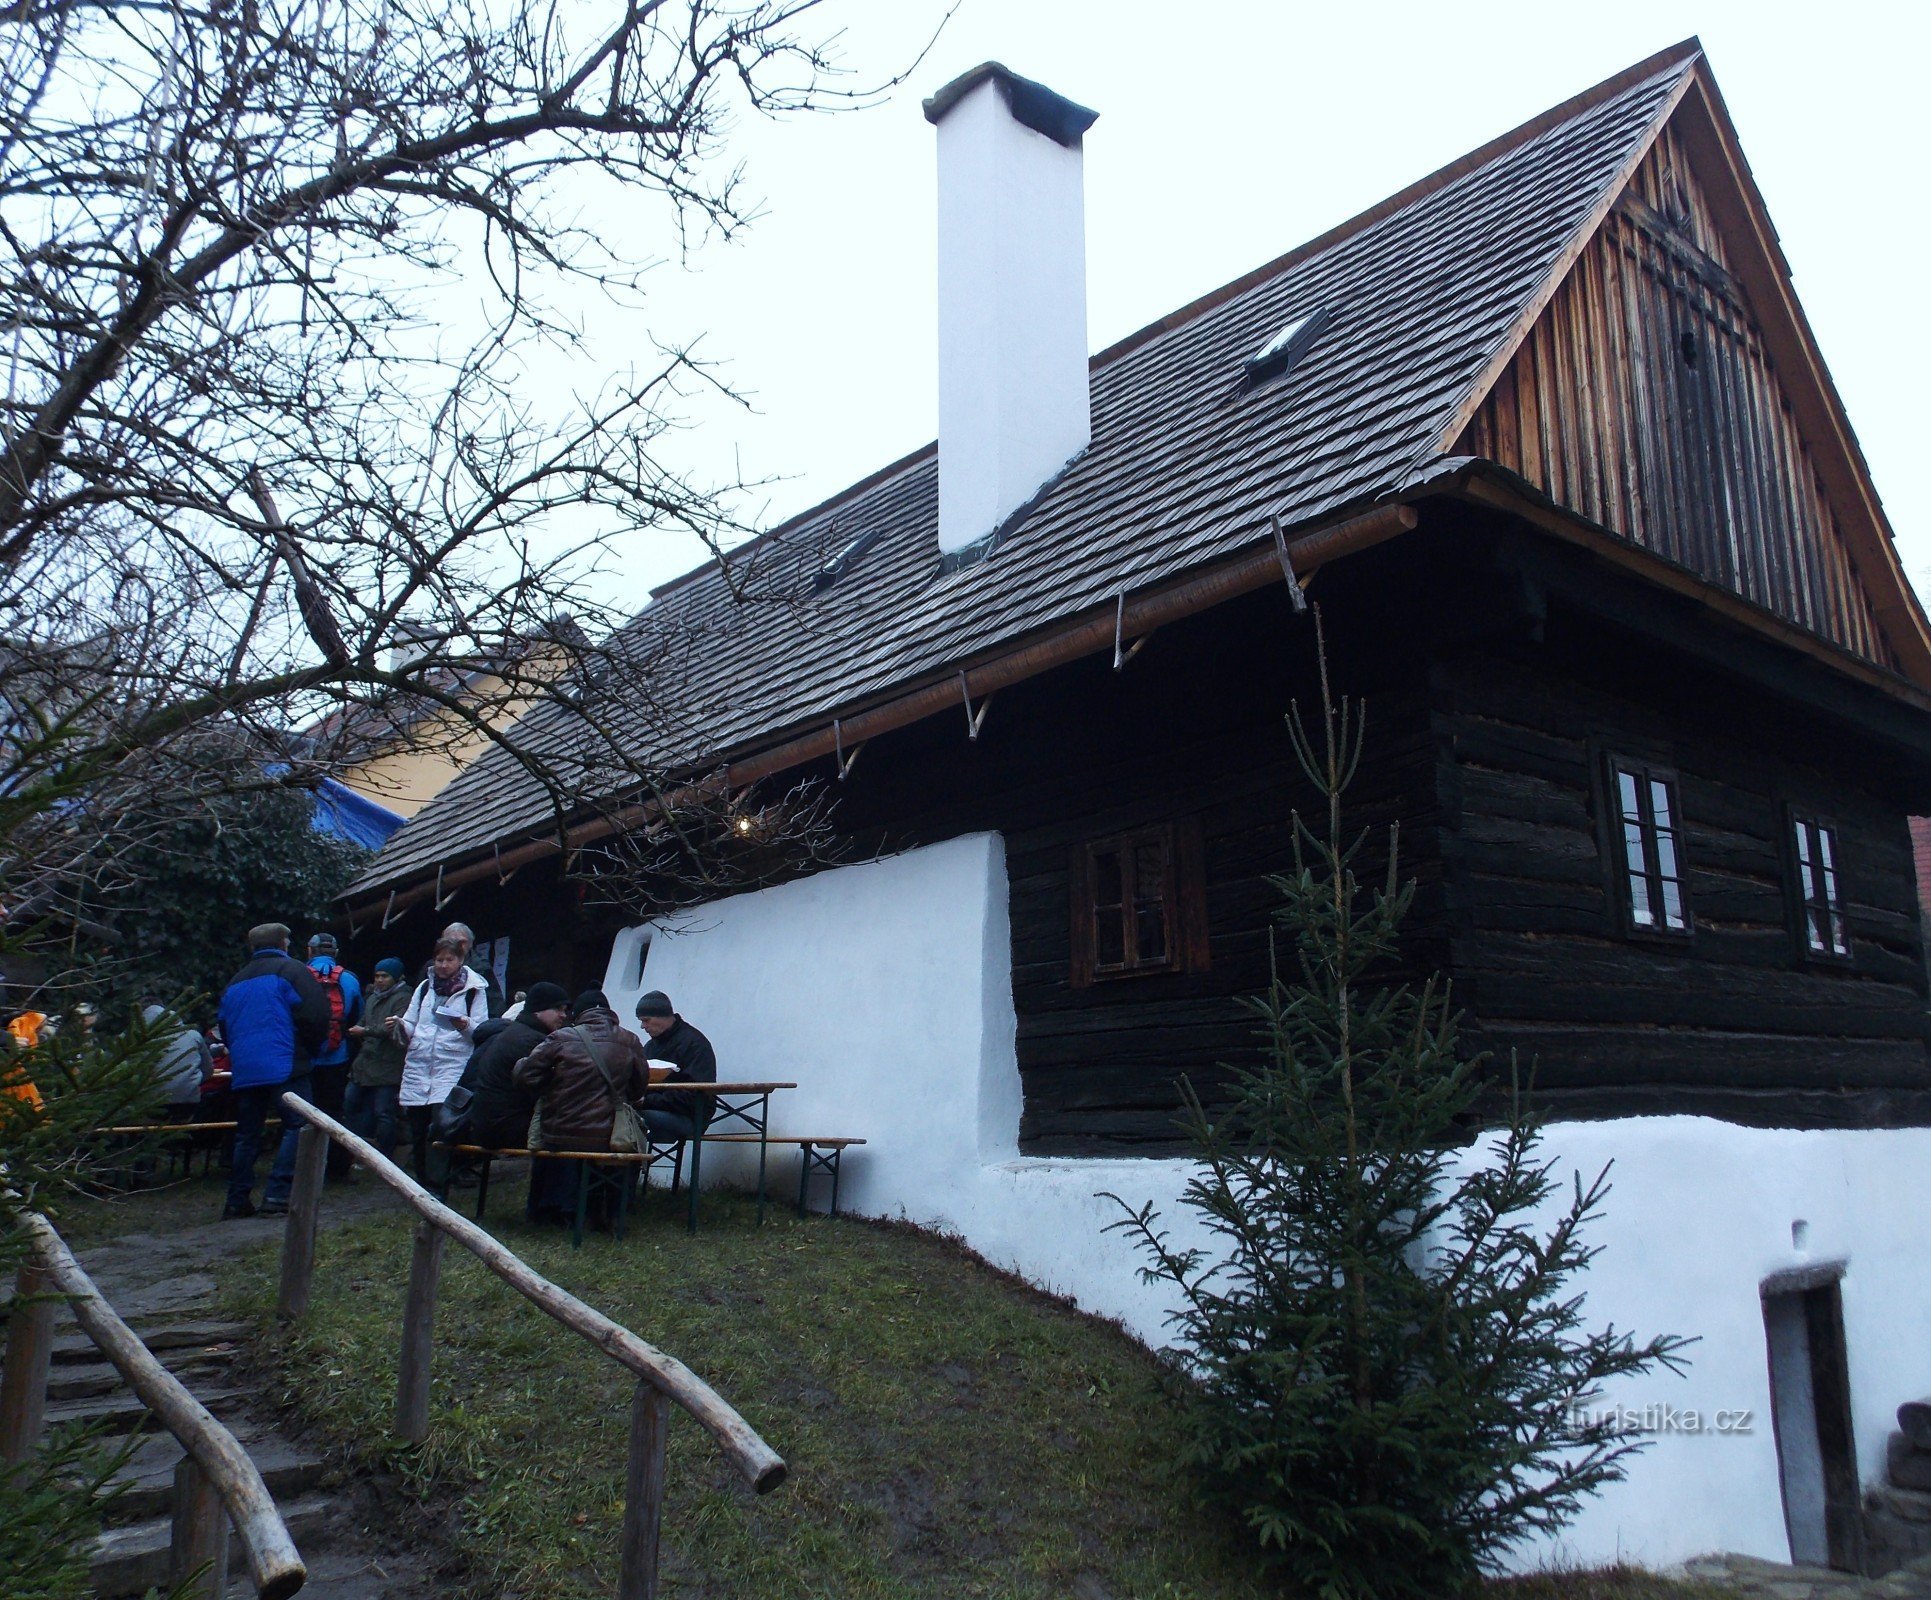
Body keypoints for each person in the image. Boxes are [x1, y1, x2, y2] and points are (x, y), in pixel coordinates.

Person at [217, 923, 328, 1219]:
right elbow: (315, 1015)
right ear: (284, 944)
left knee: (247, 1134)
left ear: (252, 948)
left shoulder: (234, 982)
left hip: (246, 1069)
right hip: (285, 1063)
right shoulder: (292, 972)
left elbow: (224, 1027)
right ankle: (277, 1194)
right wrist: (311, 1052)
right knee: (300, 1125)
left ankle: (237, 1199)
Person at [513, 989, 652, 1223]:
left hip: (559, 1132)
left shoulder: (561, 1038)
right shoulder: (630, 1041)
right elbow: (638, 1089)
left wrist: (553, 1083)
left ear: (578, 1014)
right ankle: (609, 1212)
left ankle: (550, 1210)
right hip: (609, 1136)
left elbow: (527, 1077)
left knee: (559, 1141)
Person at [395, 936, 488, 1187]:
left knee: (440, 1127)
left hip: (451, 1064)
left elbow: (481, 1030)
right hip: (419, 1064)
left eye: (450, 959)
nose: (444, 965)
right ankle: (419, 1183)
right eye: (439, 960)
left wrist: (464, 1024)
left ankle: (437, 1186)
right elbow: (412, 1021)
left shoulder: (475, 991)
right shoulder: (424, 987)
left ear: (460, 960)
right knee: (417, 1127)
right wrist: (400, 1025)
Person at [458, 981, 569, 1149]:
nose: (563, 1015)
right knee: (569, 1135)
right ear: (538, 1009)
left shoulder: (516, 1032)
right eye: (557, 1009)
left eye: (565, 1010)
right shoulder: (531, 1041)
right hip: (504, 1128)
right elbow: (546, 1089)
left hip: (487, 1123)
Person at [304, 933, 362, 1179]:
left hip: (304, 1058)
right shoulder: (349, 979)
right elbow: (357, 1015)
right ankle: (337, 1169)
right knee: (335, 1112)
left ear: (310, 951)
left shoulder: (297, 976)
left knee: (303, 1113)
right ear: (335, 952)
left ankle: (302, 1167)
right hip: (336, 1056)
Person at [344, 957, 410, 1157]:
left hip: (388, 1064)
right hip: (365, 1063)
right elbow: (364, 1021)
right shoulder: (373, 997)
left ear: (397, 977)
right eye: (377, 976)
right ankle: (356, 1151)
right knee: (350, 1103)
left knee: (383, 1112)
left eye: (385, 976)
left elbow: (394, 1028)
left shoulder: (404, 998)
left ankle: (386, 1155)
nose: (380, 980)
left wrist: (365, 1031)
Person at [632, 990, 717, 1142]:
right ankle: (631, 1165)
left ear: (662, 1016)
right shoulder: (650, 1046)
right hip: (657, 1110)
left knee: (627, 1119)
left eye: (646, 1020)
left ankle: (632, 1164)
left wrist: (647, 1101)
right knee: (619, 1117)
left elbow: (696, 1094)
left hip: (690, 1118)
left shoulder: (694, 1044)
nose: (643, 1026)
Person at [141, 1001, 213, 1121]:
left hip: (150, 1105)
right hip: (188, 1104)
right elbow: (208, 1069)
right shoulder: (193, 1036)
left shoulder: (141, 1041)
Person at [438, 922, 505, 1018]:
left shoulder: (481, 967)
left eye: (461, 942)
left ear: (470, 943)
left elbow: (494, 1002)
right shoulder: (432, 967)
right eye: (451, 942)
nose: (457, 947)